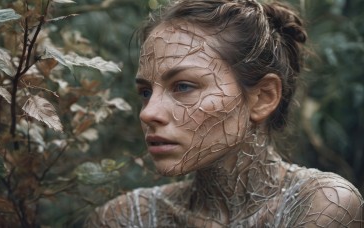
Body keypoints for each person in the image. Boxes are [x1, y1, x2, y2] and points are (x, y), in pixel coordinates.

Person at [86, 0, 364, 227]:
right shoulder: (126, 218)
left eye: (183, 86)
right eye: (146, 92)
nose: (148, 113)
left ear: (262, 98)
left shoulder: (322, 204)